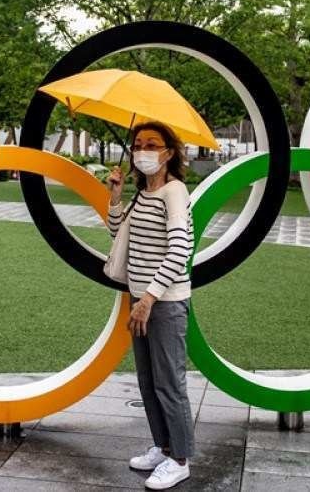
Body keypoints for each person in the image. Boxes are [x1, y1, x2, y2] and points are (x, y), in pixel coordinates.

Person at [106, 121, 195, 490]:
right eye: (137, 144)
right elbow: (119, 236)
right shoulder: (144, 193)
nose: (142, 150)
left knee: (169, 383)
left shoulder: (174, 192)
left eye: (152, 144)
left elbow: (180, 250)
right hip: (141, 299)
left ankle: (180, 459)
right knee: (147, 382)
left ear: (169, 153)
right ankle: (162, 445)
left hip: (163, 302)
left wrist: (148, 298)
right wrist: (115, 197)